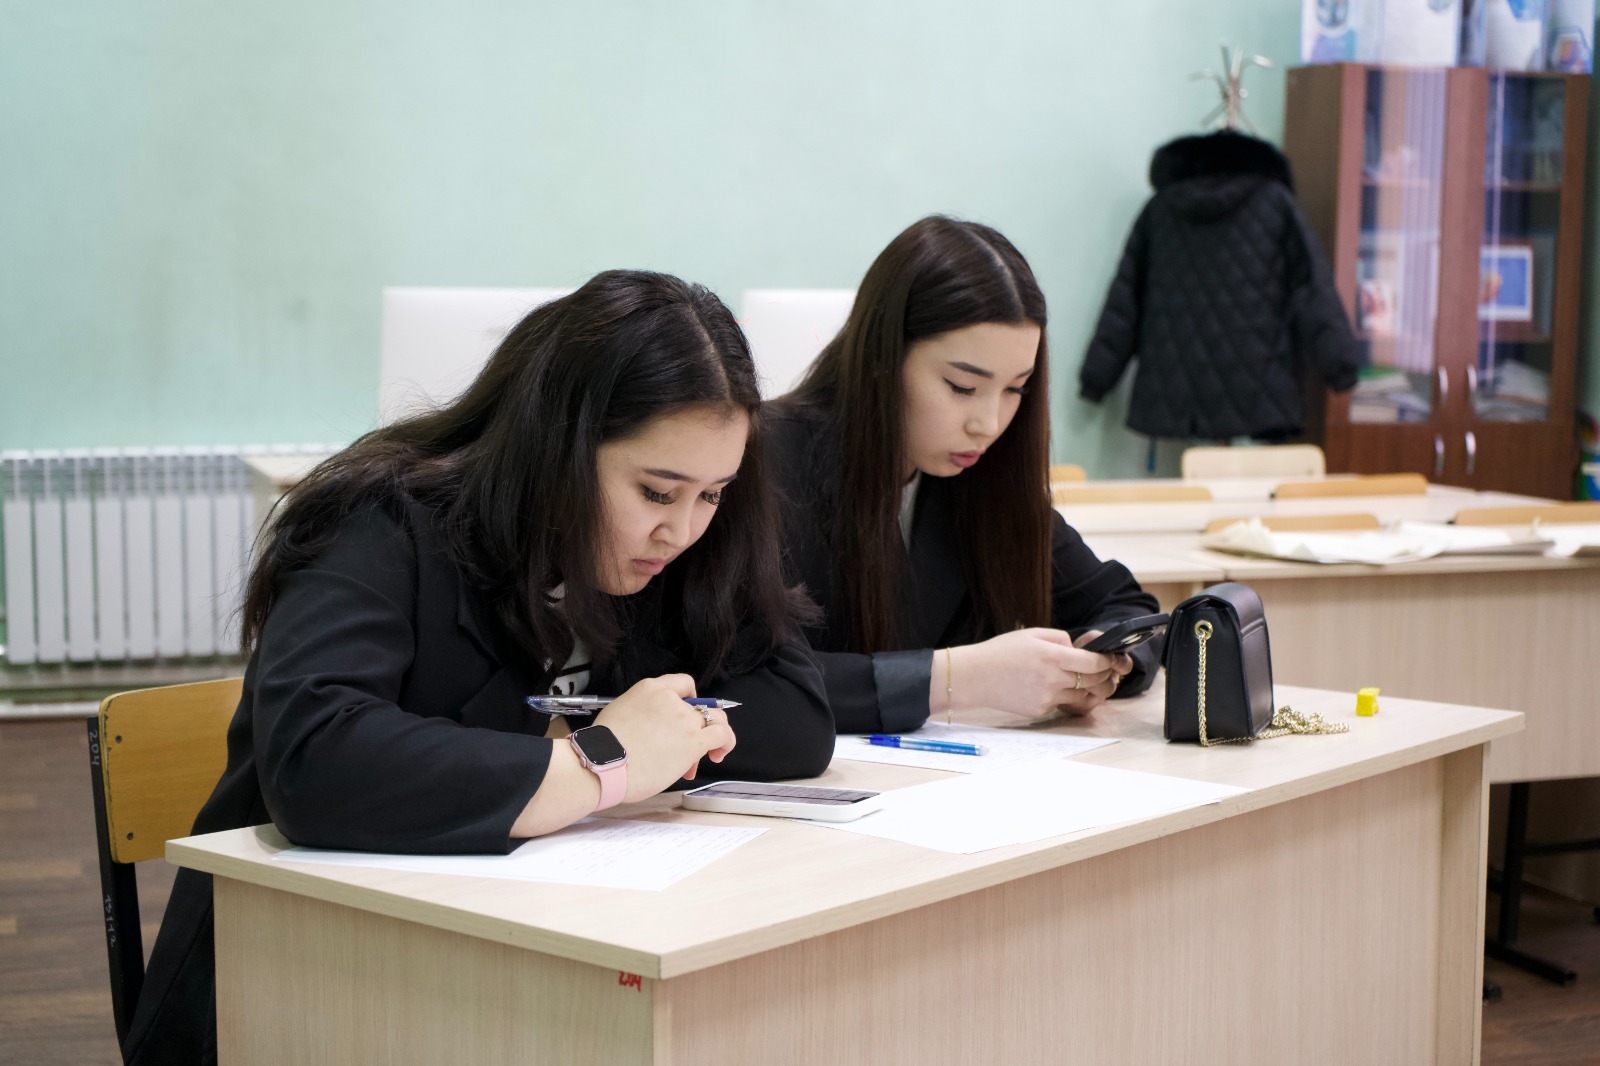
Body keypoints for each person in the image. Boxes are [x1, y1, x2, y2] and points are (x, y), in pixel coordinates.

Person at [124, 270, 834, 1065]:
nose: (682, 531)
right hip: (299, 974)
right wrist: (602, 760)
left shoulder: (672, 548)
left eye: (713, 495)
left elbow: (797, 718)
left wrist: (644, 738)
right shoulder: (382, 521)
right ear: (560, 447)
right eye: (656, 492)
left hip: (521, 963)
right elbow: (316, 759)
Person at [767, 216, 1162, 735]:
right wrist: (959, 678)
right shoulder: (763, 461)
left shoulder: (983, 477)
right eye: (962, 387)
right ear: (882, 358)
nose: (989, 424)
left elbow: (1124, 607)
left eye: (1016, 389)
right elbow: (750, 681)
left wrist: (1103, 661)